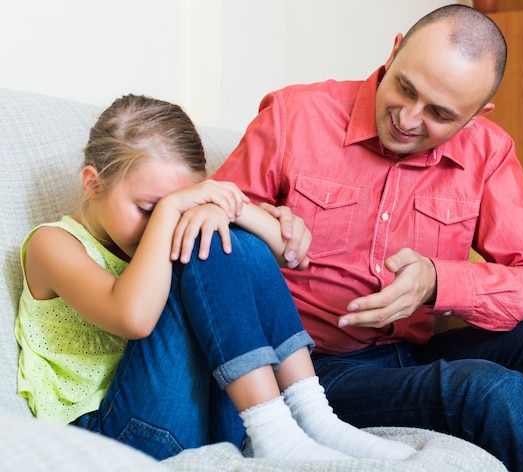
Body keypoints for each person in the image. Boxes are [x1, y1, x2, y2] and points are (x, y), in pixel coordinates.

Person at [212, 4, 523, 471]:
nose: (407, 119)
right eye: (404, 88)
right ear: (394, 52)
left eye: (439, 114)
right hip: (317, 370)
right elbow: (214, 239)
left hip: (421, 350)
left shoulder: (488, 152)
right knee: (492, 392)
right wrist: (269, 223)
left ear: (474, 116)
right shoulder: (294, 117)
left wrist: (438, 282)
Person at [14, 94, 417, 462]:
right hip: (117, 433)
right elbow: (133, 317)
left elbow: (292, 254)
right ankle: (276, 434)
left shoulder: (173, 225)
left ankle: (312, 415)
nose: (163, 220)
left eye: (177, 203)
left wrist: (224, 208)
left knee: (227, 235)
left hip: (207, 423)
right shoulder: (53, 244)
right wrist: (174, 210)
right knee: (204, 241)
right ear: (93, 183)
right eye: (150, 208)